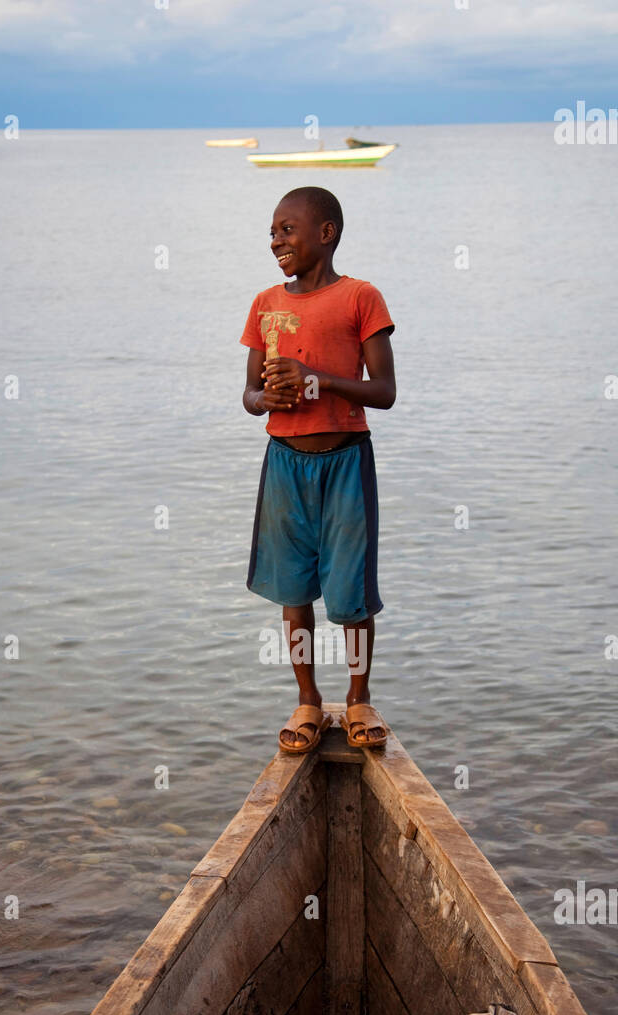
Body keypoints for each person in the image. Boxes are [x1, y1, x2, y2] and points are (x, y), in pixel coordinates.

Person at [241, 185, 396, 753]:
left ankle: (358, 698)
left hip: (346, 462)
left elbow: (384, 391)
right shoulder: (265, 303)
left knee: (351, 591)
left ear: (325, 234)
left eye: (288, 229)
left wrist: (321, 380)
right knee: (293, 589)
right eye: (274, 230)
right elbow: (250, 393)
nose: (276, 239)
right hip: (286, 464)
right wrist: (268, 401)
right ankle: (308, 699)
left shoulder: (361, 298)